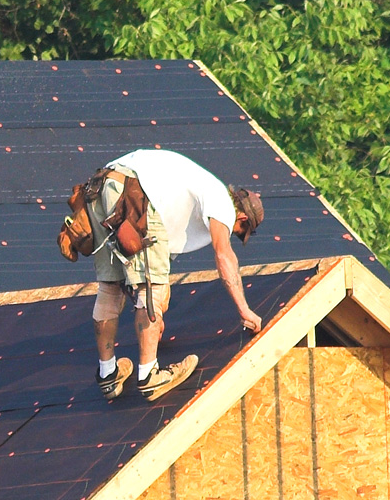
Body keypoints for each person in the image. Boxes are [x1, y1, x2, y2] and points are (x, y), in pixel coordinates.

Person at [89, 148, 264, 402]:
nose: (232, 233)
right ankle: (149, 375)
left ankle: (108, 374)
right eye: (238, 231)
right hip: (134, 192)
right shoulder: (223, 204)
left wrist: (156, 318)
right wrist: (244, 310)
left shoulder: (188, 197)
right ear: (243, 217)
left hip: (102, 186)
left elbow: (146, 270)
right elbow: (223, 256)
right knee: (152, 289)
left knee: (111, 287)